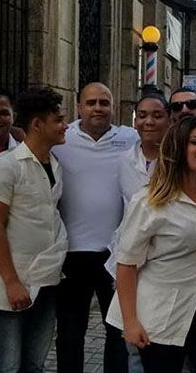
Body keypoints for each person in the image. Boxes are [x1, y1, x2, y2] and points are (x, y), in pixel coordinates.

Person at [107, 116, 196, 373]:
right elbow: (126, 264)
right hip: (157, 314)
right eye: (195, 142)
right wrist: (130, 323)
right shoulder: (149, 201)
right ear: (178, 147)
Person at [0, 86, 69, 372]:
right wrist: (12, 282)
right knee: (5, 365)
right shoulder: (8, 166)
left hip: (46, 281)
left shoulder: (54, 163)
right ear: (38, 125)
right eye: (59, 120)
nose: (66, 126)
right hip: (8, 285)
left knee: (33, 363)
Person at [51, 82, 138, 373]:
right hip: (71, 252)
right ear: (78, 107)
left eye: (104, 102)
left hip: (114, 253)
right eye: (91, 103)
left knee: (116, 332)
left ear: (113, 107)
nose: (98, 108)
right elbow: (18, 136)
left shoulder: (130, 138)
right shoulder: (61, 138)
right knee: (70, 334)